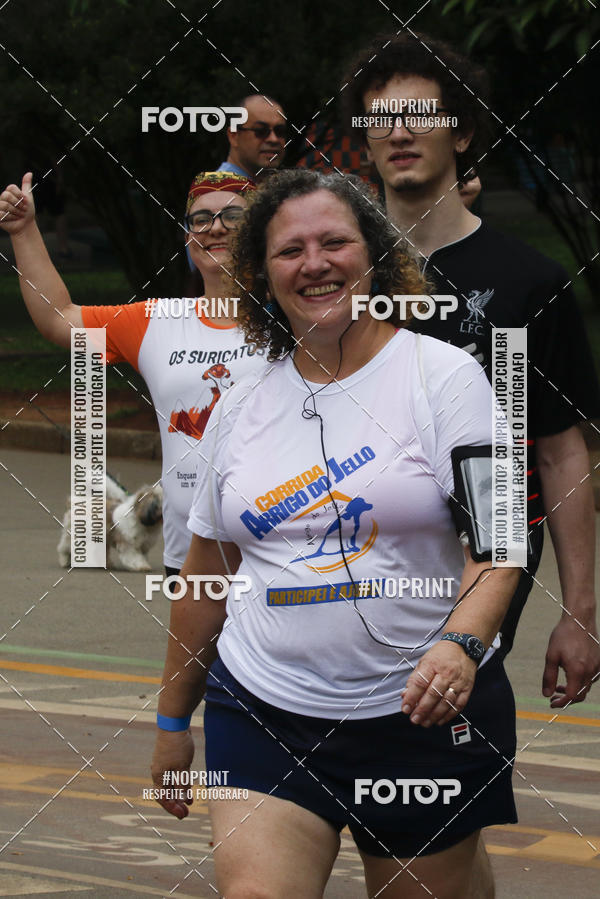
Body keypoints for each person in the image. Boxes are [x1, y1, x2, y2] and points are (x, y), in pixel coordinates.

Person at [151, 169, 521, 898]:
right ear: (263, 273)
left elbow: (500, 543)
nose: (313, 263)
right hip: (263, 709)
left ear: (375, 257)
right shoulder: (240, 404)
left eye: (333, 242)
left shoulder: (446, 378)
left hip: (419, 718)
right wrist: (170, 715)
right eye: (290, 250)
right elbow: (206, 574)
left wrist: (461, 643)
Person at [341, 32, 600, 714]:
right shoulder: (329, 278)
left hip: (484, 547)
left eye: (420, 116)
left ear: (462, 134)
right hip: (348, 547)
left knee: (428, 732)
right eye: (379, 120)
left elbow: (558, 448)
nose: (398, 133)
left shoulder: (528, 283)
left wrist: (580, 611)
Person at [0, 170, 267, 575]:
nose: (215, 228)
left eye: (233, 216)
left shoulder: (298, 321)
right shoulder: (158, 321)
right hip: (190, 559)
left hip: (282, 550)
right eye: (200, 219)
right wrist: (23, 231)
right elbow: (60, 320)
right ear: (187, 236)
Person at [218, 93, 286, 180]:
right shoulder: (217, 188)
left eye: (280, 131)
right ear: (233, 136)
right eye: (261, 131)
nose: (274, 139)